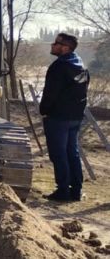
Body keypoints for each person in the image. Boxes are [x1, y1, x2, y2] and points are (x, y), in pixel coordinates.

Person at [40, 32, 90, 202]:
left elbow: (50, 94)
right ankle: (76, 190)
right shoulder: (81, 66)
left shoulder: (58, 67)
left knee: (58, 153)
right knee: (72, 152)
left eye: (56, 43)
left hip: (58, 118)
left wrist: (44, 110)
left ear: (65, 48)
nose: (52, 45)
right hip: (75, 117)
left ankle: (62, 190)